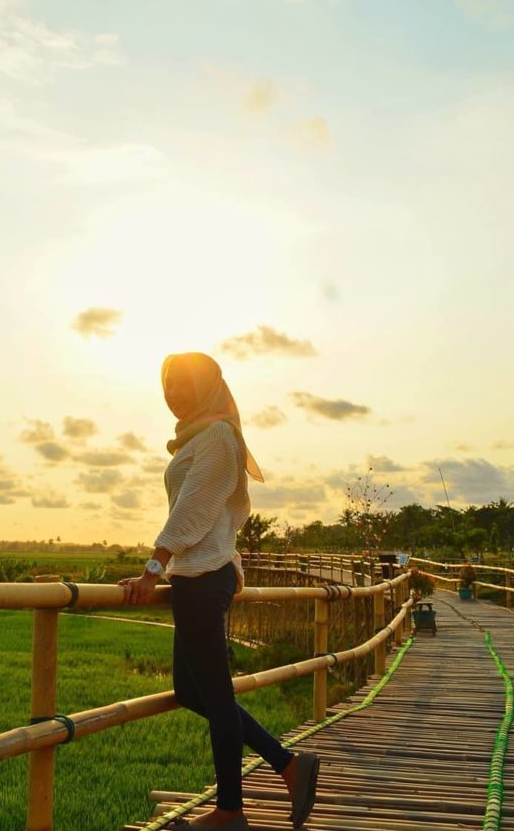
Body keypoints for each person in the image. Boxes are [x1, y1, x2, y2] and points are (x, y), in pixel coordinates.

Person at [119, 352, 319, 830]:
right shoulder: (197, 436)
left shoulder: (217, 436)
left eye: (184, 385)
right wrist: (165, 571)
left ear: (209, 387)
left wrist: (152, 570)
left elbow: (191, 509)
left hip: (205, 578)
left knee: (215, 692)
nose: (173, 395)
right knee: (194, 691)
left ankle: (231, 810)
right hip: (194, 577)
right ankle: (289, 766)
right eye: (167, 386)